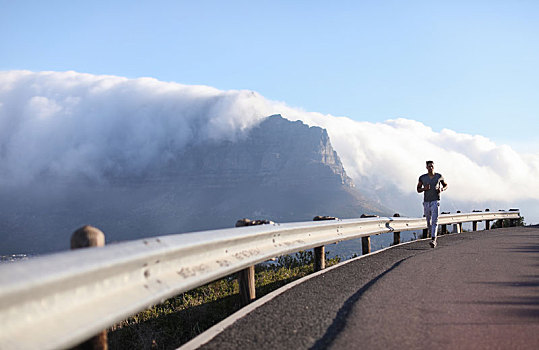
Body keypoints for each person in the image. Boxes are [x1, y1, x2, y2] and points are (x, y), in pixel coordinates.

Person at [417, 160, 448, 247]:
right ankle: (432, 235)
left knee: (435, 221)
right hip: (426, 202)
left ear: (434, 167)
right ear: (426, 167)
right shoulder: (422, 178)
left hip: (435, 201)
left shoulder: (439, 176)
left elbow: (445, 185)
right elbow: (418, 189)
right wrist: (424, 189)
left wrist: (441, 189)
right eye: (429, 166)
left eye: (432, 166)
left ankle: (433, 240)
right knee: (428, 222)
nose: (430, 168)